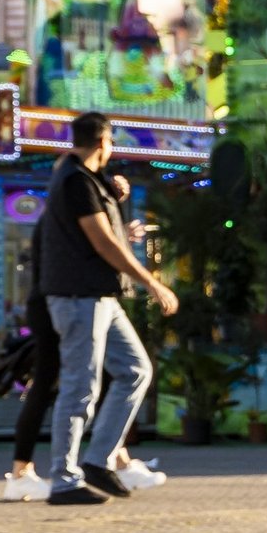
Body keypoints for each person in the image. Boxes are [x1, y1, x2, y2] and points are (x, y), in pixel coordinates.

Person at [38, 112, 179, 505]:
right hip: (78, 297)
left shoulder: (84, 178)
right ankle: (64, 480)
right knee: (80, 387)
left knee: (136, 369)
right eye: (111, 142)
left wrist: (114, 193)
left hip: (100, 296)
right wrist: (151, 282)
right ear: (104, 142)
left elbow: (104, 233)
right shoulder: (76, 182)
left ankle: (99, 459)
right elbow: (102, 243)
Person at [5, 212, 164, 500]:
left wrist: (119, 233)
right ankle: (24, 473)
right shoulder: (66, 203)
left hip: (68, 301)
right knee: (54, 383)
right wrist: (147, 279)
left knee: (110, 377)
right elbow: (92, 246)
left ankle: (114, 460)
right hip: (56, 303)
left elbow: (95, 244)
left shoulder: (75, 202)